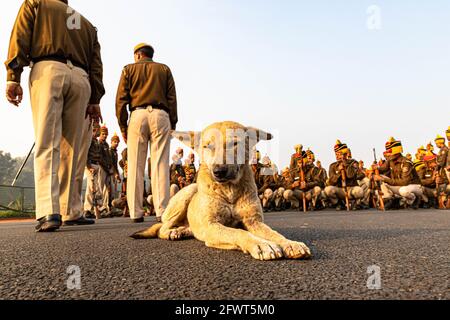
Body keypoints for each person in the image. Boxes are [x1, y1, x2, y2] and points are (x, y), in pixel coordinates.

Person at [5, 0, 104, 231]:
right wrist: (95, 99)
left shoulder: (36, 3)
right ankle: (70, 210)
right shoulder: (87, 25)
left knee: (47, 141)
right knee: (73, 149)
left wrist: (13, 75)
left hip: (48, 69)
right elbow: (96, 63)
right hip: (81, 78)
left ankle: (50, 211)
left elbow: (20, 35)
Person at [116, 43, 177, 223]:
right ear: (150, 55)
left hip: (137, 114)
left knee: (135, 165)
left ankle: (136, 212)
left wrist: (123, 126)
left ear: (138, 55)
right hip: (161, 114)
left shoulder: (128, 69)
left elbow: (120, 100)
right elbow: (172, 98)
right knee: (160, 164)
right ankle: (162, 210)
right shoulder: (164, 69)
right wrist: (172, 122)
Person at [375, 137, 423, 210]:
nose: (388, 153)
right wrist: (374, 169)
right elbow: (382, 169)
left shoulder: (406, 162)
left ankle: (414, 199)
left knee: (403, 191)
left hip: (413, 186)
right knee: (381, 177)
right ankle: (389, 199)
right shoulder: (390, 160)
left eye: (390, 151)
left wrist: (385, 179)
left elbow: (405, 182)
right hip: (400, 185)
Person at [325, 141, 365, 211]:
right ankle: (339, 204)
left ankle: (355, 203)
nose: (337, 156)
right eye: (336, 154)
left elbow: (350, 175)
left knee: (359, 191)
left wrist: (345, 164)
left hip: (351, 188)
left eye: (339, 154)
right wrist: (339, 172)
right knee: (328, 190)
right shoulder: (333, 166)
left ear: (345, 154)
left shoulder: (353, 163)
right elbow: (331, 181)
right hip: (340, 190)